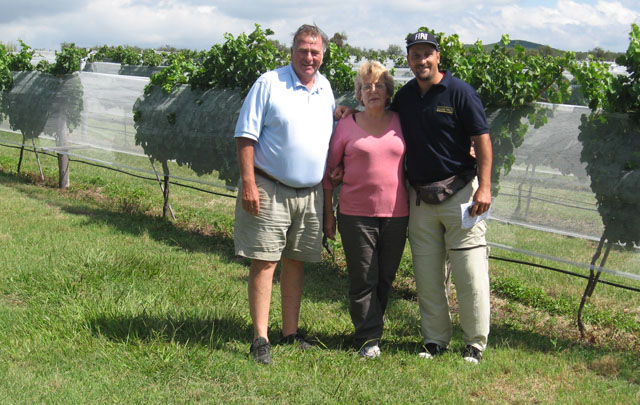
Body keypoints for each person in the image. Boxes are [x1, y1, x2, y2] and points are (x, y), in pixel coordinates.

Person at [233, 24, 335, 365]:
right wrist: (248, 182)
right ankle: (260, 338)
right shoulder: (269, 83)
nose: (309, 57)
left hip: (309, 193)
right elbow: (245, 136)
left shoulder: (325, 88)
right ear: (292, 51)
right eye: (303, 50)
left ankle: (289, 332)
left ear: (323, 54)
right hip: (269, 187)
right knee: (265, 260)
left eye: (315, 51)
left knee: (296, 261)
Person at [390, 32, 493, 363]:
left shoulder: (460, 92)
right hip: (420, 198)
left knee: (470, 272)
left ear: (438, 56)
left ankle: (474, 343)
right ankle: (435, 340)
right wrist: (348, 113)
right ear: (408, 59)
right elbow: (380, 120)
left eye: (426, 54)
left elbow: (483, 140)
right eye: (415, 55)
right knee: (427, 274)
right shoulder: (404, 98)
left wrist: (485, 186)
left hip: (462, 194)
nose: (421, 60)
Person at [323, 61, 408, 359]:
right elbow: (330, 172)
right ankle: (368, 337)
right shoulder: (346, 124)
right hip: (355, 214)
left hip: (397, 214)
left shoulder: (402, 121)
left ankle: (372, 329)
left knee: (385, 277)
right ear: (358, 93)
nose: (373, 90)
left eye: (379, 85)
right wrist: (328, 215)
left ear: (388, 91)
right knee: (363, 278)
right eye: (366, 86)